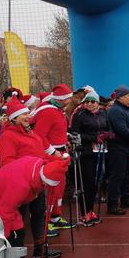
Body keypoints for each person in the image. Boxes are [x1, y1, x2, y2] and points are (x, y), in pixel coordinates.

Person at [0, 96, 61, 258]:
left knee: (39, 215)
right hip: (20, 187)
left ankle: (40, 248)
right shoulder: (8, 137)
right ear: (13, 118)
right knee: (18, 221)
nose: (27, 117)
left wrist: (58, 160)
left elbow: (41, 157)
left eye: (27, 113)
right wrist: (28, 171)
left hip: (36, 184)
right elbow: (7, 164)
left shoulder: (32, 134)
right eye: (22, 115)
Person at [32, 83, 75, 232]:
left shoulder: (57, 110)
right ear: (62, 99)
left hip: (59, 152)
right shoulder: (48, 111)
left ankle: (55, 216)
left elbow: (56, 131)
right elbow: (39, 135)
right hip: (51, 155)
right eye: (68, 98)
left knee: (59, 187)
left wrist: (66, 139)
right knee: (52, 188)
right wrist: (52, 151)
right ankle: (46, 220)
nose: (70, 100)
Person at [70, 90, 108, 225]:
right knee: (86, 183)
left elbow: (107, 128)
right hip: (85, 153)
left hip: (101, 152)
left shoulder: (103, 113)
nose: (90, 104)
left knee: (96, 182)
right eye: (87, 101)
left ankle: (91, 210)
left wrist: (107, 135)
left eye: (93, 101)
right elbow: (74, 135)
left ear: (98, 103)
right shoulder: (80, 115)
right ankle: (84, 213)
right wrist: (93, 138)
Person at [106, 85, 129, 214]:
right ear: (120, 97)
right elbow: (122, 130)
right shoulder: (116, 111)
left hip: (125, 148)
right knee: (117, 176)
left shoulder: (124, 110)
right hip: (118, 148)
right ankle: (113, 204)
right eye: (128, 96)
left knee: (125, 174)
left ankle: (125, 198)